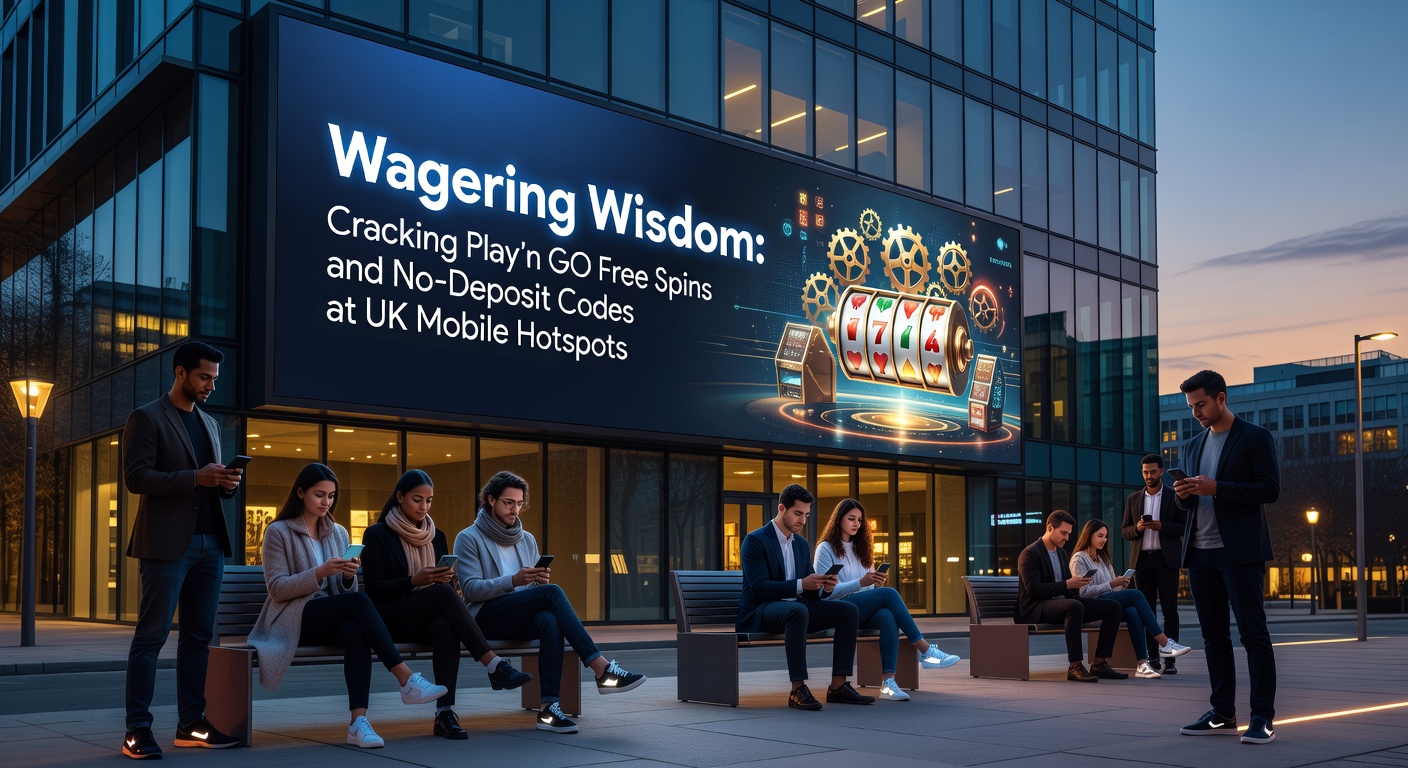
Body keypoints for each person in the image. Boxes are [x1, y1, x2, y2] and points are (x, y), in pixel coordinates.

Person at [248, 463, 449, 749]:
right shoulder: (278, 531)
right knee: (359, 602)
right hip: (294, 617)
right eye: (319, 495)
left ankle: (358, 722)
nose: (326, 502)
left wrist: (346, 577)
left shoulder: (338, 532)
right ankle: (406, 678)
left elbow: (347, 592)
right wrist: (319, 572)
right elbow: (277, 588)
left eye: (331, 496)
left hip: (330, 615)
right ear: (301, 493)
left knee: (355, 631)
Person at [121, 341, 244, 758]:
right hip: (166, 545)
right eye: (204, 377)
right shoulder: (146, 417)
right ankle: (137, 729)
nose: (211, 385)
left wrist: (226, 483)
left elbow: (210, 485)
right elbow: (137, 478)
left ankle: (191, 723)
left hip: (211, 544)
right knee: (151, 637)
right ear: (180, 373)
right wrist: (195, 476)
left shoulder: (210, 423)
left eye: (214, 378)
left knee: (197, 639)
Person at [455, 471, 646, 735]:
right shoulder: (469, 537)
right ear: (491, 500)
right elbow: (471, 589)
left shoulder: (526, 539)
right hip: (486, 618)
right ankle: (601, 668)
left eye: (519, 503)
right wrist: (514, 580)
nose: (514, 510)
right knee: (553, 593)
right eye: (508, 503)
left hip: (518, 618)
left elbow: (530, 592)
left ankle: (548, 709)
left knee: (549, 620)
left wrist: (537, 582)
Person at [360, 469, 533, 740]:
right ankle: (493, 664)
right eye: (417, 499)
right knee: (441, 595)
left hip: (424, 616)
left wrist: (443, 579)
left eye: (429, 500)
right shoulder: (377, 534)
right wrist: (413, 580)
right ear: (400, 497)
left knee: (445, 623)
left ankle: (445, 713)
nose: (424, 507)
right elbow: (374, 589)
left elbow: (445, 588)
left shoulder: (436, 535)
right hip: (389, 618)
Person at [1172, 370, 1280, 745]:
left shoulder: (1255, 437)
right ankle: (1222, 714)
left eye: (1201, 404)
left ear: (1221, 398)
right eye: (1191, 407)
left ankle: (1262, 718)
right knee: (1213, 637)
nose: (1196, 413)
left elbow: (1269, 489)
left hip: (1239, 552)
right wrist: (1182, 495)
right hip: (1199, 553)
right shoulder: (1191, 446)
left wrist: (1218, 488)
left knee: (1253, 634)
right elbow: (1187, 504)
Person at [737, 484, 874, 710]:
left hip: (796, 608)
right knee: (798, 611)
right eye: (798, 513)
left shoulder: (800, 544)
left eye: (806, 515)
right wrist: (801, 584)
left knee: (848, 610)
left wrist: (825, 587)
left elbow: (811, 593)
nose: (802, 520)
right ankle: (797, 689)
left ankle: (838, 686)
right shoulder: (755, 541)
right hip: (762, 610)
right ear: (782, 509)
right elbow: (760, 588)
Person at [813, 498, 959, 700]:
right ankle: (925, 650)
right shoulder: (826, 548)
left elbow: (866, 586)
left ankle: (888, 683)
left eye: (860, 520)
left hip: (860, 609)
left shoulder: (861, 549)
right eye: (851, 519)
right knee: (889, 594)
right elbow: (824, 593)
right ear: (839, 520)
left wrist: (874, 582)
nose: (856, 524)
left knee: (887, 616)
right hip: (837, 610)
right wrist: (861, 583)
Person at [1070, 519, 1191, 679]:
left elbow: (1112, 589)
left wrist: (1120, 585)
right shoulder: (1079, 558)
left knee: (1133, 611)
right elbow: (1083, 592)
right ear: (1089, 535)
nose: (1104, 540)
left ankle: (1142, 664)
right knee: (1136, 594)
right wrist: (1112, 584)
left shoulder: (1103, 558)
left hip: (1108, 604)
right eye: (1100, 536)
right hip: (1090, 605)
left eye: (1105, 536)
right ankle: (1164, 642)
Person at [1016, 510, 1127, 683]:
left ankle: (1099, 663)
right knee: (1074, 606)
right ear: (1050, 528)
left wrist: (1077, 586)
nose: (1067, 538)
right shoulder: (1030, 553)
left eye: (1068, 534)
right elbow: (1034, 590)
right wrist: (1068, 584)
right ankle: (1075, 666)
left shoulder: (1061, 554)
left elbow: (1067, 590)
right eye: (1063, 533)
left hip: (1060, 603)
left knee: (1112, 607)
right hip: (1034, 608)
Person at [1120, 453, 1187, 675]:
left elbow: (1185, 527)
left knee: (1170, 611)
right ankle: (1153, 658)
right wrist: (1138, 528)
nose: (1149, 476)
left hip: (1166, 560)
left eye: (1153, 472)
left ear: (1161, 471)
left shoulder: (1173, 496)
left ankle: (1170, 660)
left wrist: (1162, 526)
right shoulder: (1133, 499)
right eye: (1145, 472)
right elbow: (1125, 531)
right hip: (1142, 562)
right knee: (1146, 612)